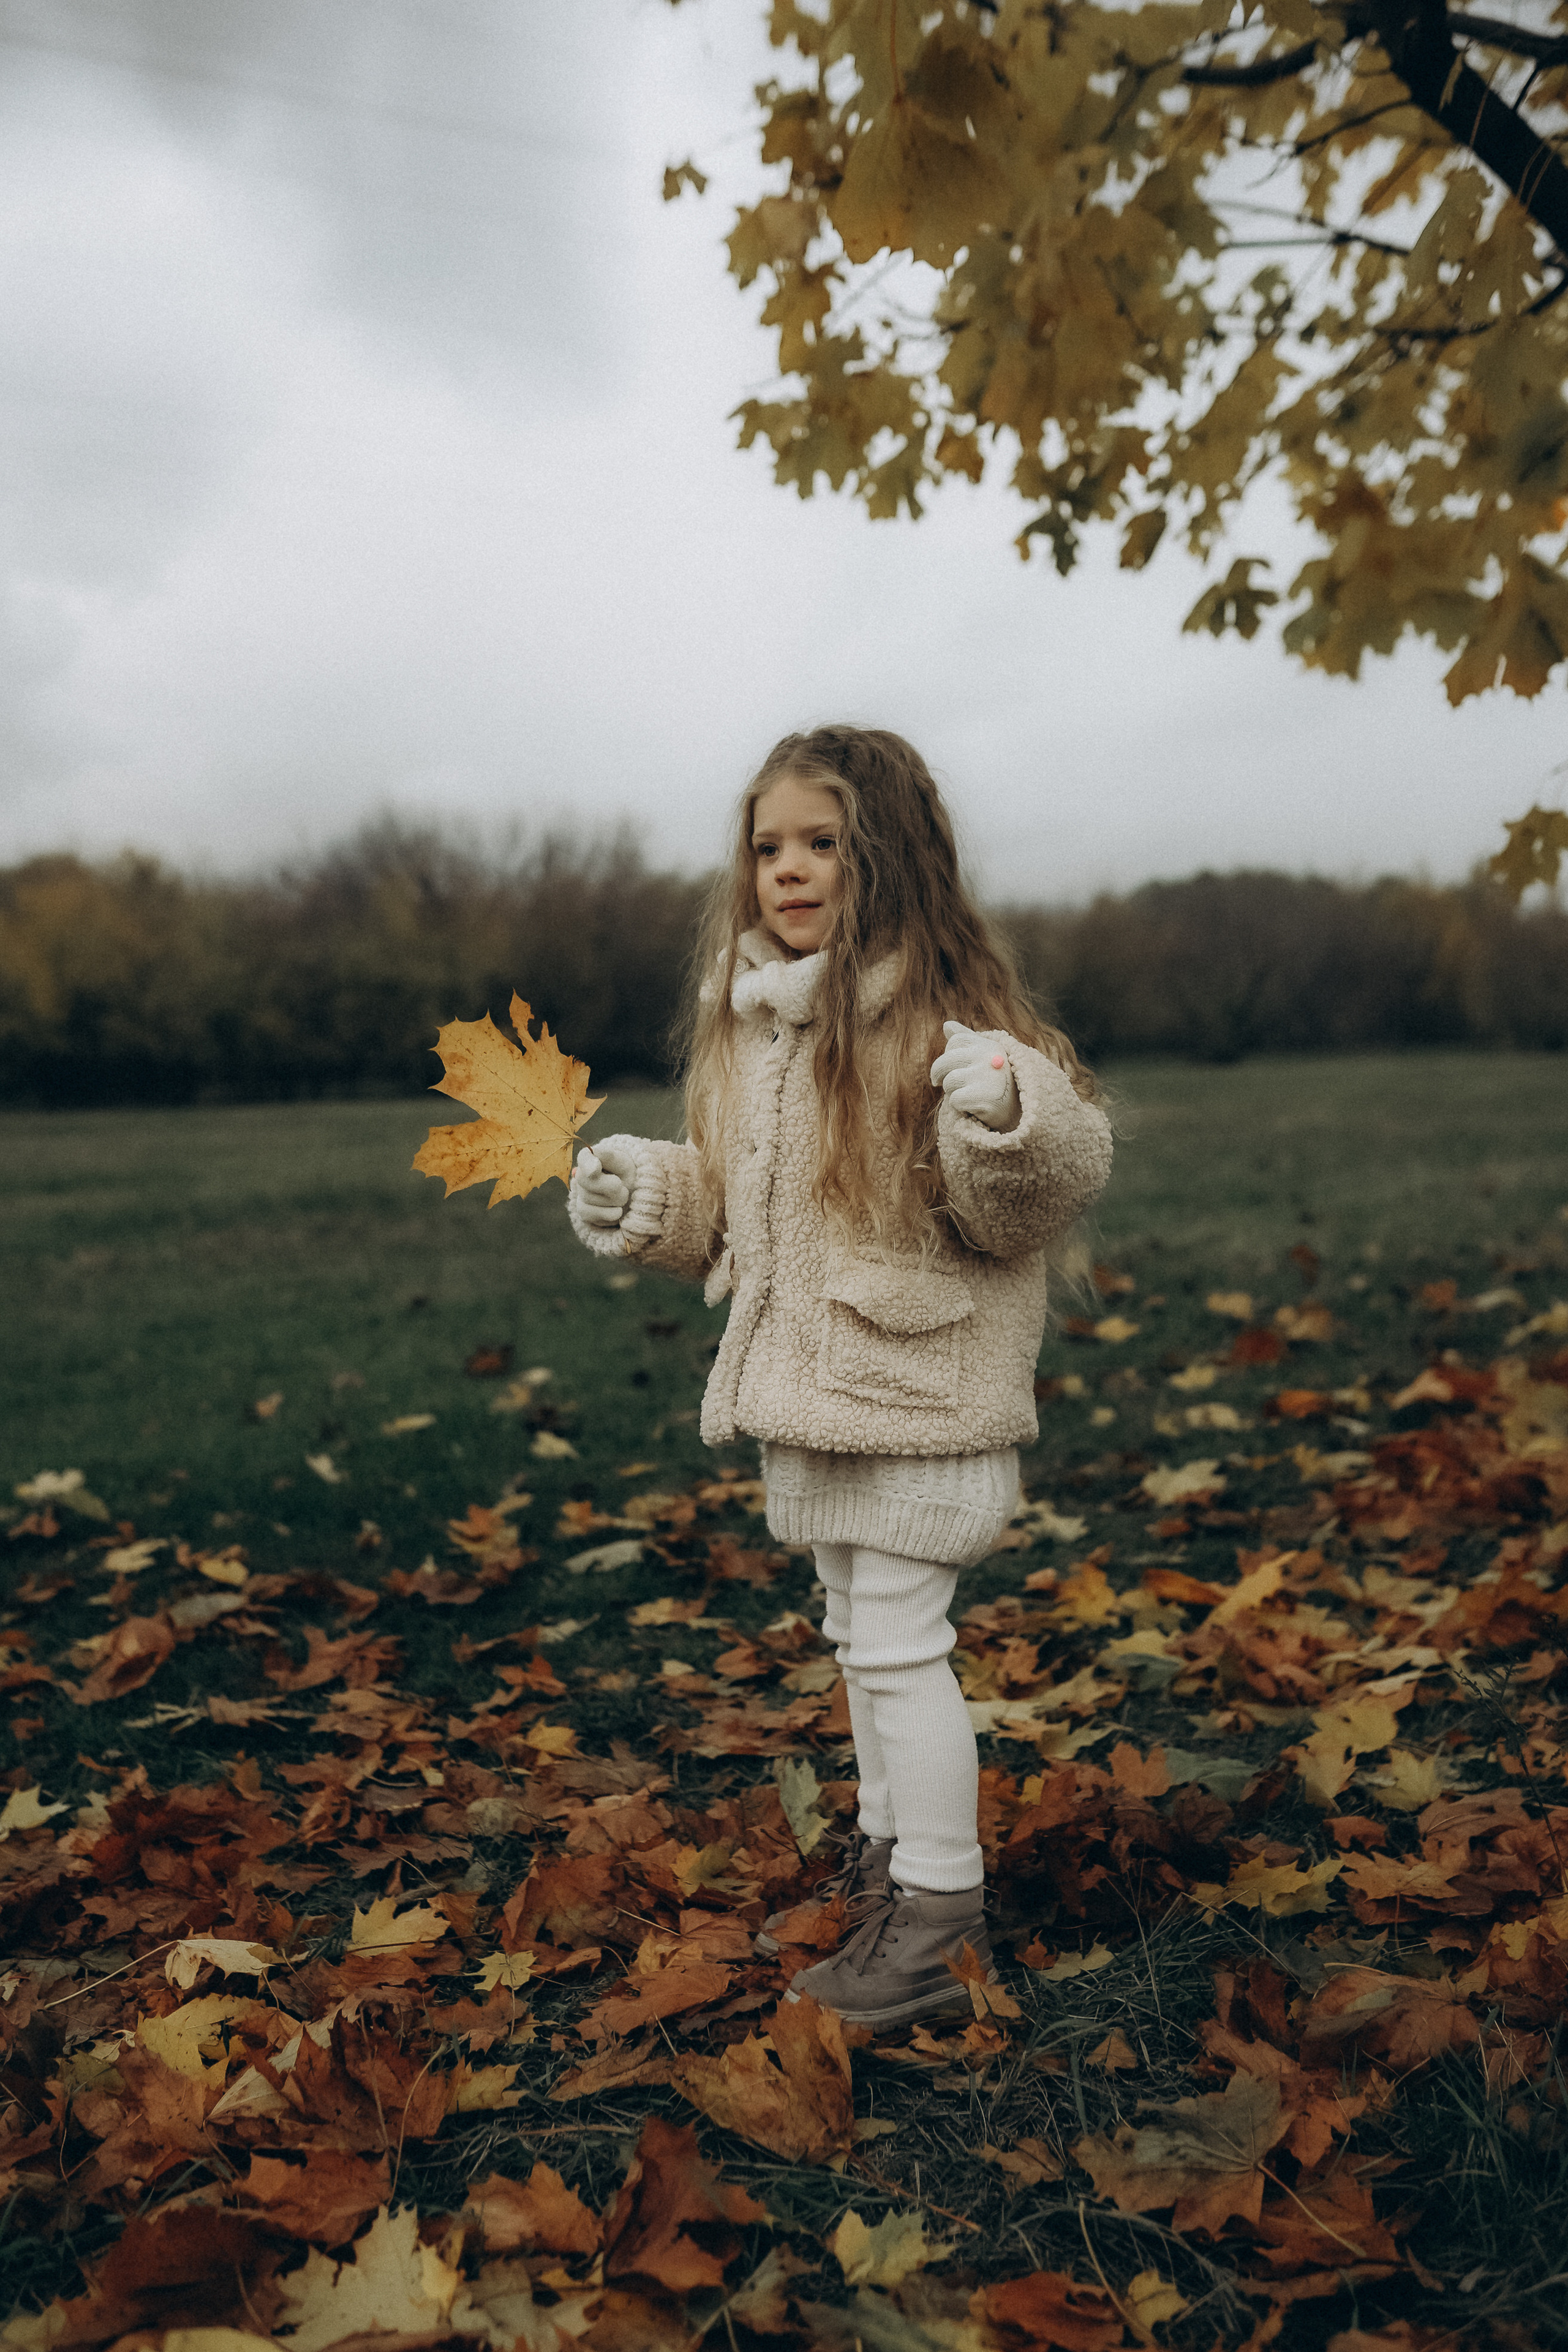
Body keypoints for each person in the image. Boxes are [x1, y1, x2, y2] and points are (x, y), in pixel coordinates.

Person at [567, 725, 1112, 2028]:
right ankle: (888, 1869)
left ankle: (934, 1924)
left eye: (823, 844)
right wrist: (652, 1190)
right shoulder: (755, 1026)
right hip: (813, 1395)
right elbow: (748, 1213)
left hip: (919, 1396)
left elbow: (1036, 1191)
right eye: (767, 848)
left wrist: (1003, 1112)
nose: (789, 872)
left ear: (891, 858)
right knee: (855, 1642)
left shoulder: (943, 1027)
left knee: (894, 1646)